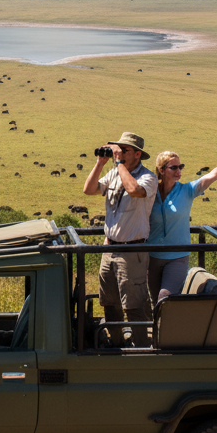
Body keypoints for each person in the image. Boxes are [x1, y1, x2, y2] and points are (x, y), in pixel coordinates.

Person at [147, 148, 217, 304]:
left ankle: (171, 328)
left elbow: (213, 174)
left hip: (178, 257)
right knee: (153, 302)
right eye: (174, 167)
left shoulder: (187, 190)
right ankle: (162, 328)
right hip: (152, 256)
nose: (178, 171)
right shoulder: (150, 193)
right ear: (162, 170)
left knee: (164, 299)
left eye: (181, 167)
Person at [83, 131, 157, 347]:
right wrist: (100, 163)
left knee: (134, 305)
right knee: (109, 303)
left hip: (132, 251)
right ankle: (116, 345)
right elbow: (88, 189)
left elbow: (134, 190)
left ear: (137, 154)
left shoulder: (147, 177)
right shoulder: (115, 173)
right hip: (109, 249)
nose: (120, 153)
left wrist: (118, 163)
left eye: (124, 150)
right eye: (118, 149)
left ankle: (141, 347)